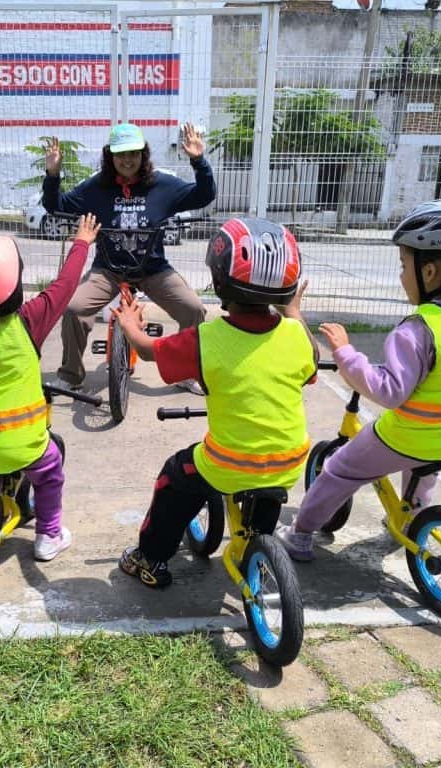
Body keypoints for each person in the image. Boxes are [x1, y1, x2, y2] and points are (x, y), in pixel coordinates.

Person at [277, 199, 441, 562]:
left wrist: (346, 353)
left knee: (340, 469)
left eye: (403, 264)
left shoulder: (420, 329)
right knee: (424, 468)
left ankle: (300, 535)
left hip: (411, 435)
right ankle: (414, 518)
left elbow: (388, 391)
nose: (401, 275)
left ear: (430, 272)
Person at [111, 218, 317, 587]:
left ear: (220, 279)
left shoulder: (204, 339)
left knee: (176, 478)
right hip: (290, 461)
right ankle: (257, 539)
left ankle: (151, 558)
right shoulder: (298, 336)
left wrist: (129, 325)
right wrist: (293, 310)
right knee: (266, 479)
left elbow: (147, 349)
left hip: (229, 463)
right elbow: (309, 366)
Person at [0, 214, 101, 561]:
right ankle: (49, 535)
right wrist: (82, 243)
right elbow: (66, 284)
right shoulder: (27, 322)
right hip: (24, 441)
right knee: (50, 472)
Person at [42, 122, 216, 392]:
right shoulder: (96, 187)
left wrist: (198, 161)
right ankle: (71, 375)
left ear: (143, 154)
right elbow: (57, 206)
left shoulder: (163, 185)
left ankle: (185, 372)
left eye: (133, 153)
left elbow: (204, 195)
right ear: (110, 156)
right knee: (74, 309)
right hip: (108, 270)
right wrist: (53, 175)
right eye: (121, 154)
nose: (127, 160)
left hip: (153, 268)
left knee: (193, 308)